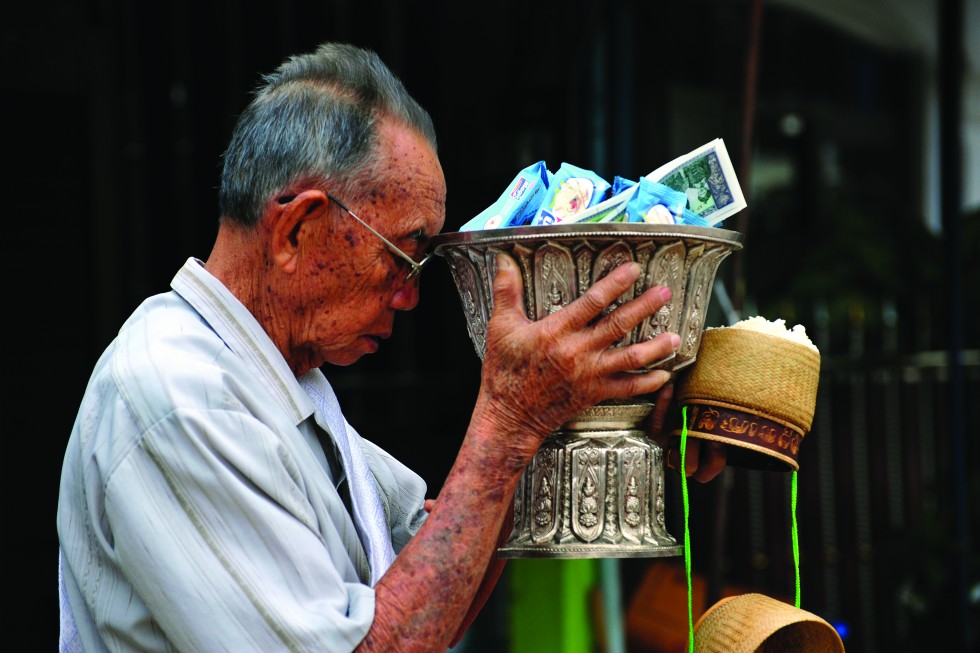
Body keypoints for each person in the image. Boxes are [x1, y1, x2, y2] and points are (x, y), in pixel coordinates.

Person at [57, 42, 726, 653]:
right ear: (297, 230)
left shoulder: (283, 382)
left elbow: (432, 603)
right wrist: (511, 420)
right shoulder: (178, 392)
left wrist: (578, 415)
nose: (409, 298)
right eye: (403, 258)